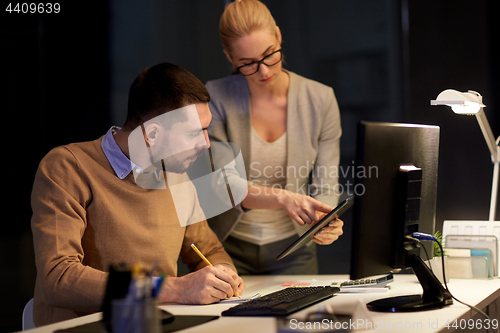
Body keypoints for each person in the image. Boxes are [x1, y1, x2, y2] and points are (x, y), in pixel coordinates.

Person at [30, 62, 245, 326]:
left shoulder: (177, 174)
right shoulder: (68, 167)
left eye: (205, 129)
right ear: (152, 133)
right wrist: (175, 289)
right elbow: (57, 277)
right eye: (193, 133)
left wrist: (223, 277)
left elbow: (209, 250)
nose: (205, 143)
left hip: (157, 324)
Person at [206, 0, 343, 275]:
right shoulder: (215, 97)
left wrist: (326, 218)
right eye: (247, 64)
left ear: (279, 37)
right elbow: (225, 186)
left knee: (299, 319)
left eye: (270, 55)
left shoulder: (320, 99)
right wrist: (283, 198)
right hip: (227, 249)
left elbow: (326, 182)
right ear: (230, 58)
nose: (264, 71)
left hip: (295, 248)